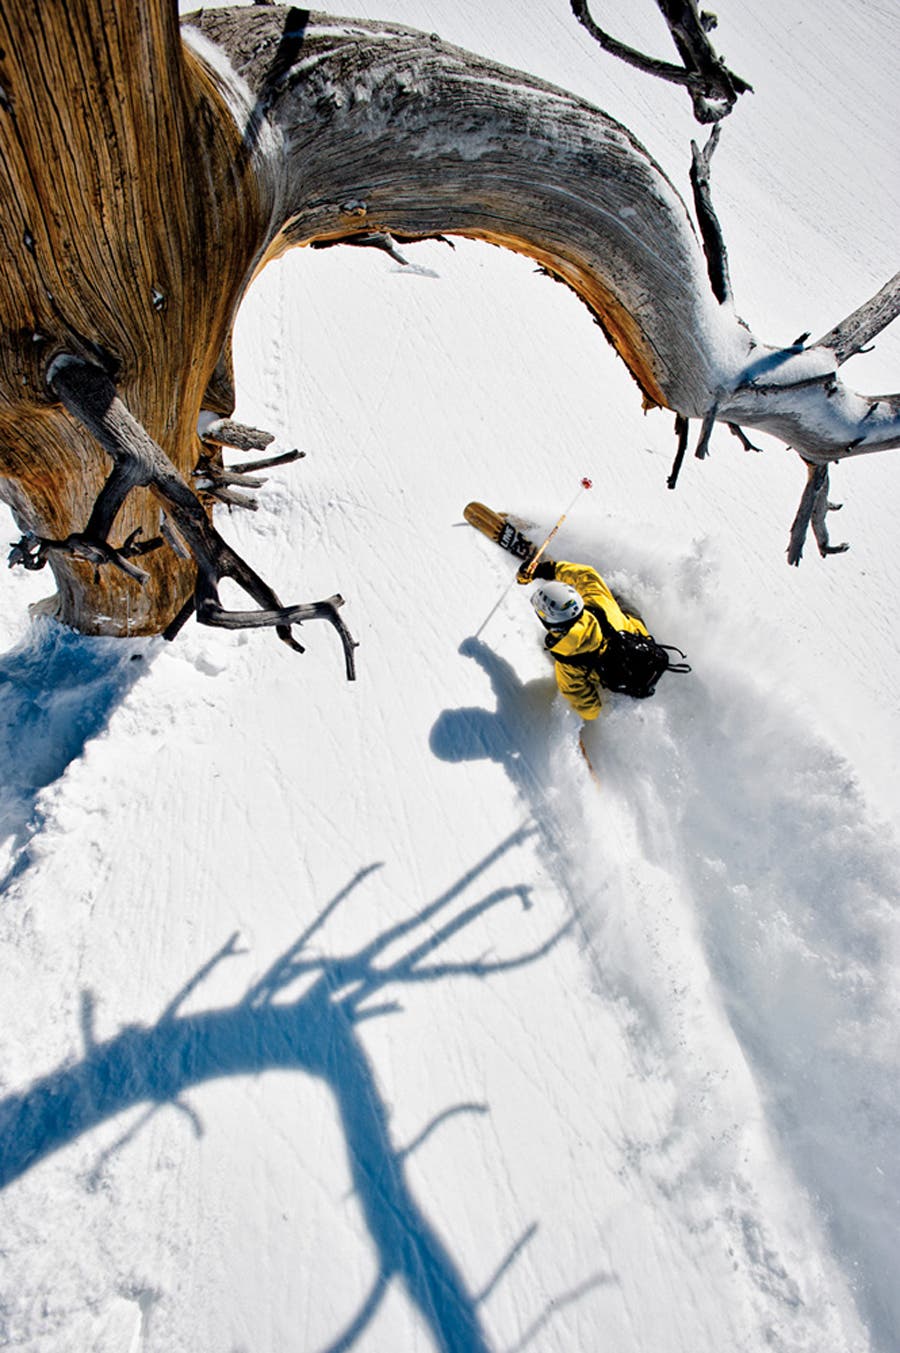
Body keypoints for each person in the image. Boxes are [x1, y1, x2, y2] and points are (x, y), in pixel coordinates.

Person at [521, 557, 650, 721]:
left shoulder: (567, 666)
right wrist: (545, 569)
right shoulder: (598, 599)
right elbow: (586, 574)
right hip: (641, 642)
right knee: (613, 596)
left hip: (621, 685)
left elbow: (590, 709)